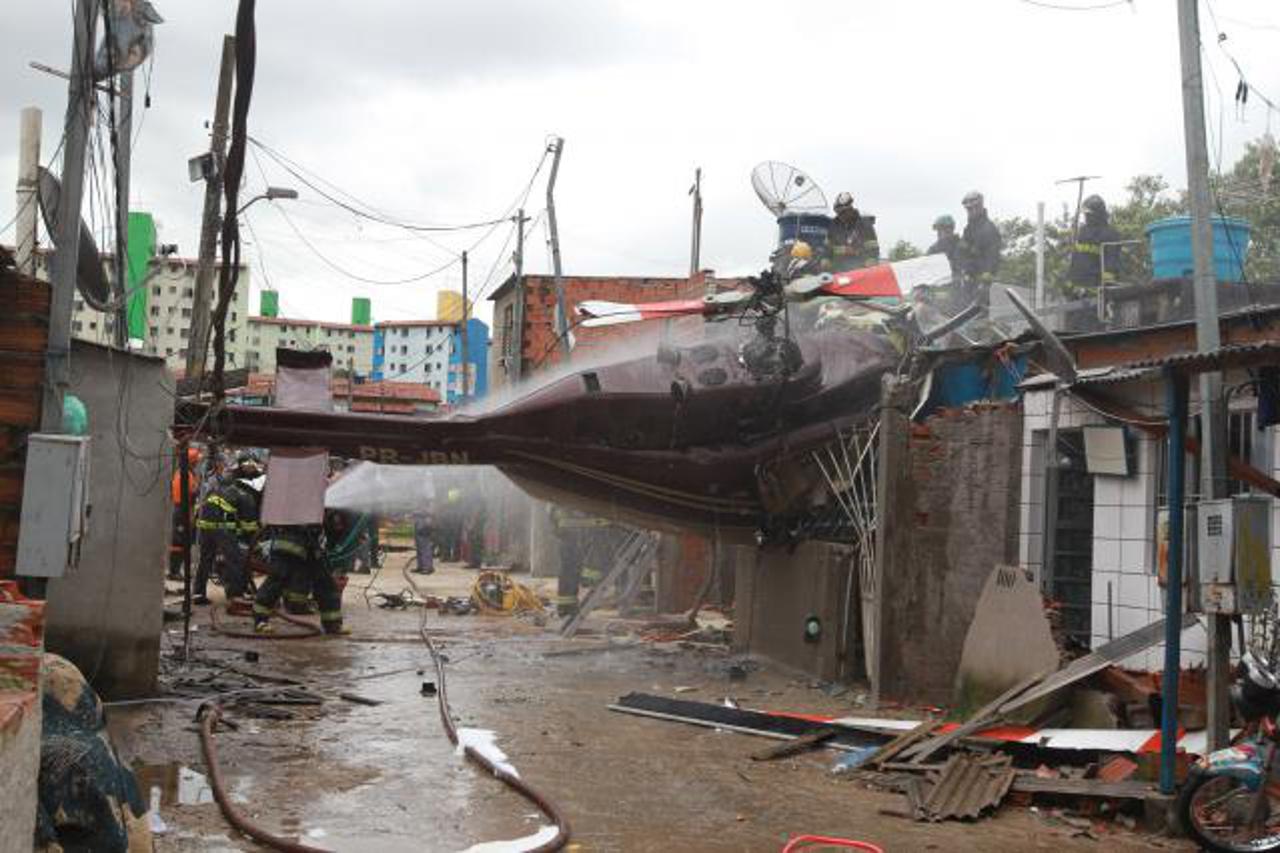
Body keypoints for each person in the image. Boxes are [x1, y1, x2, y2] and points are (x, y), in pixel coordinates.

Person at [192, 453, 262, 606]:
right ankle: (235, 595)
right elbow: (249, 526)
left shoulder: (225, 484)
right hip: (221, 525)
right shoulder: (247, 496)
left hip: (204, 522)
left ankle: (198, 593)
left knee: (205, 559)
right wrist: (252, 543)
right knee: (235, 559)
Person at [253, 523, 347, 635]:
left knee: (325, 582)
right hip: (290, 539)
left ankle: (332, 624)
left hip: (312, 543)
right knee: (278, 578)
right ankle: (260, 621)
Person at [1064, 194, 1124, 300]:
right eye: (1085, 215)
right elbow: (1075, 262)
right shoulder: (1081, 232)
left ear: (1098, 214)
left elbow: (1111, 263)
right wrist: (1068, 285)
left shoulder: (1110, 235)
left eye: (1089, 214)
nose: (1086, 217)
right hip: (1075, 293)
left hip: (1095, 294)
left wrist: (1106, 287)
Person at [957, 190, 1003, 309]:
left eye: (974, 208)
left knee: (978, 317)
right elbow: (961, 253)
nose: (971, 211)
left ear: (981, 206)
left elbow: (992, 258)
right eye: (968, 209)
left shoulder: (988, 229)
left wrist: (984, 283)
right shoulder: (969, 229)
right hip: (967, 282)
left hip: (979, 284)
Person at [168, 446, 201, 580]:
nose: (197, 463)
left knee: (184, 541)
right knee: (179, 542)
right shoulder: (184, 474)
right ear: (191, 461)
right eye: (196, 461)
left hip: (185, 509)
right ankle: (174, 571)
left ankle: (177, 570)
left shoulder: (188, 473)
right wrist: (197, 493)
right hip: (181, 510)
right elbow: (185, 495)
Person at [825, 192, 880, 272]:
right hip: (837, 271)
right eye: (838, 212)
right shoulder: (834, 225)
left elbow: (873, 249)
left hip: (859, 271)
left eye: (843, 212)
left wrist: (871, 261)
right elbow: (827, 248)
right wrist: (825, 259)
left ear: (850, 209)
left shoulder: (864, 225)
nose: (840, 215)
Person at [411, 504, 434, 575]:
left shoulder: (428, 498)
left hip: (424, 523)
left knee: (425, 547)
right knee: (420, 547)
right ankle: (421, 566)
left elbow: (430, 511)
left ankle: (427, 567)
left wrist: (417, 512)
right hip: (420, 523)